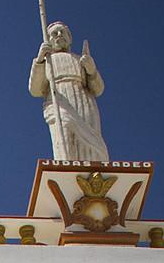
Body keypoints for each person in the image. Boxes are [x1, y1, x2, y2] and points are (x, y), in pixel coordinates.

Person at [28, 22, 107, 164]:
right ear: (48, 40)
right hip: (59, 100)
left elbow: (98, 89)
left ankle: (92, 170)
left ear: (69, 38)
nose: (59, 35)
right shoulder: (47, 61)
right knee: (64, 134)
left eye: (62, 32)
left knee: (89, 141)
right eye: (54, 33)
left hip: (84, 100)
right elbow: (35, 89)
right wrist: (39, 60)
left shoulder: (80, 60)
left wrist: (91, 70)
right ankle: (66, 164)